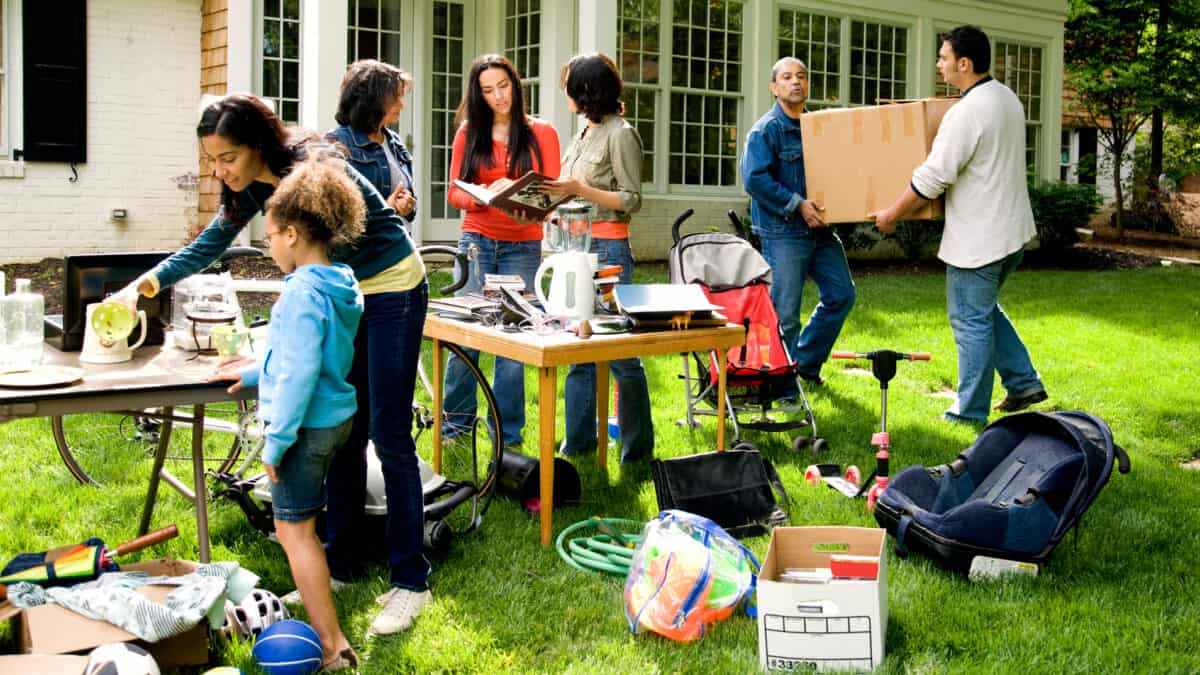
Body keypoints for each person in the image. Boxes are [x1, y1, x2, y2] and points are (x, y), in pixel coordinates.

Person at [117, 94, 432, 636]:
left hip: (392, 289)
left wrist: (278, 348)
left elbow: (334, 257)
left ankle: (411, 582)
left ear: (258, 145)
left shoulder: (314, 171)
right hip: (346, 293)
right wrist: (142, 285)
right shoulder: (249, 190)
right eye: (212, 160)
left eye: (229, 158)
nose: (221, 171)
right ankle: (340, 565)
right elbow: (209, 246)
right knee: (345, 430)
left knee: (389, 433)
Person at [211, 159, 364, 672]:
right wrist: (256, 375)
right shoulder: (339, 282)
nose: (268, 246)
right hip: (334, 417)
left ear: (294, 234)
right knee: (306, 524)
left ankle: (331, 643)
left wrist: (275, 444)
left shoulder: (299, 294)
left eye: (270, 236)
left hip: (305, 427)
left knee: (295, 531)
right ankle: (327, 622)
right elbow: (306, 357)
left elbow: (298, 376)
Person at [868, 25, 1047, 424]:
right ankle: (1022, 382)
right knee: (983, 312)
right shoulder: (1006, 99)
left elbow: (933, 178)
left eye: (943, 57)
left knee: (970, 322)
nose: (939, 64)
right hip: (1012, 233)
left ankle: (969, 413)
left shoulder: (967, 112)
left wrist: (891, 214)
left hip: (979, 240)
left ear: (964, 64)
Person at [444, 54, 560, 448]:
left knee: (513, 338)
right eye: (488, 91)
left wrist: (518, 192)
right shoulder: (468, 133)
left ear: (516, 84)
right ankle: (455, 428)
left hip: (523, 245)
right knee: (468, 334)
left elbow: (551, 191)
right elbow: (454, 191)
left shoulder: (541, 132)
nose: (499, 97)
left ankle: (506, 435)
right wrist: (484, 197)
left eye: (504, 87)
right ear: (478, 95)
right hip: (476, 241)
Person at [542, 53, 653, 463]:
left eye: (570, 86)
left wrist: (579, 190)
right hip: (574, 248)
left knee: (620, 353)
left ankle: (637, 450)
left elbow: (631, 199)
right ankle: (579, 444)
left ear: (587, 90)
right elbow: (574, 188)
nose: (565, 94)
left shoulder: (621, 134)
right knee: (578, 352)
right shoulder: (584, 133)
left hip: (608, 250)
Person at [740, 57, 856, 393]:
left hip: (820, 230)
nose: (796, 82)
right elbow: (754, 179)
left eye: (802, 77)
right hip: (783, 231)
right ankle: (780, 386)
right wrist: (797, 205)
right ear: (774, 88)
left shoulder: (817, 128)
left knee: (841, 294)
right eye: (787, 77)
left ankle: (804, 364)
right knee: (786, 312)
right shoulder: (765, 131)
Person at [327, 59, 418, 227]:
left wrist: (408, 206)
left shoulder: (395, 142)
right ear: (372, 100)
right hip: (365, 251)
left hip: (399, 246)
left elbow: (412, 204)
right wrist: (386, 208)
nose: (402, 105)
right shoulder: (337, 144)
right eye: (395, 98)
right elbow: (333, 214)